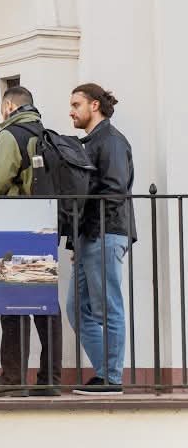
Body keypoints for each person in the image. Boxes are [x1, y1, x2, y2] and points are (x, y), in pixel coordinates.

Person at [0, 85, 62, 397]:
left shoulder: (11, 134)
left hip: (17, 226)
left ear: (8, 106)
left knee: (11, 302)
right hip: (44, 225)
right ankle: (50, 380)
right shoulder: (46, 135)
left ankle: (12, 379)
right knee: (45, 305)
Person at [67, 83, 136, 396]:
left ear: (94, 105)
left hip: (106, 233)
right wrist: (78, 237)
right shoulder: (92, 142)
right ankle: (105, 374)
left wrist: (89, 228)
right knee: (77, 309)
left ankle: (111, 377)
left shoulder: (111, 141)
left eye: (76, 105)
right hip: (90, 235)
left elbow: (114, 190)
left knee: (108, 307)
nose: (71, 111)